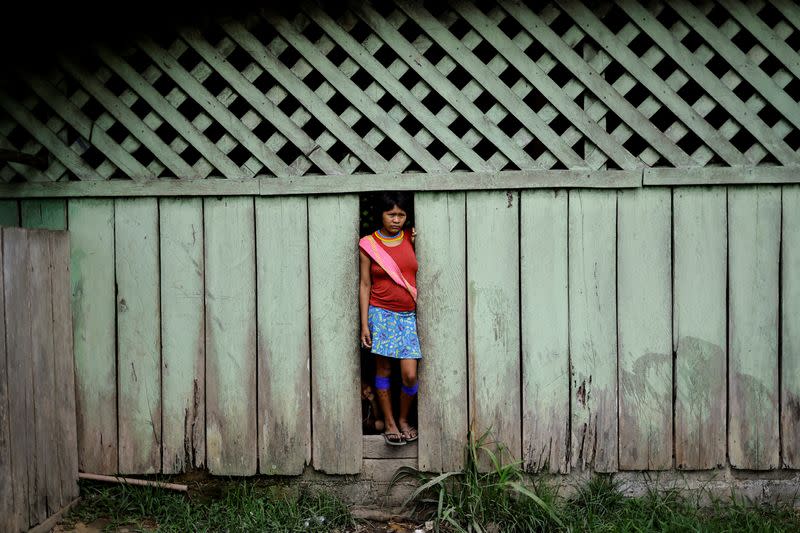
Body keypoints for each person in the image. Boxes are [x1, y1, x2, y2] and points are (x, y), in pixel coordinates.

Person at [358, 192, 420, 446]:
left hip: (407, 317)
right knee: (383, 369)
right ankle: (391, 423)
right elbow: (364, 284)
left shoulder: (410, 238)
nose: (396, 220)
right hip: (380, 313)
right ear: (381, 215)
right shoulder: (368, 245)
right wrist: (364, 323)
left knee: (409, 375)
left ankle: (404, 419)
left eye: (401, 215)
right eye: (391, 214)